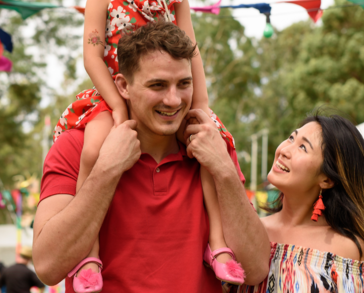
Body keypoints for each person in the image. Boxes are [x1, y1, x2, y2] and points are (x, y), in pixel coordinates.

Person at [50, 0, 245, 292]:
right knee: (92, 146)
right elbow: (92, 54)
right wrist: (117, 107)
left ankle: (218, 245)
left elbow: (191, 52)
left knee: (207, 147)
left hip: (166, 93)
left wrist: (203, 105)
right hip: (114, 94)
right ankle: (88, 251)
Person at [34, 21, 270, 292]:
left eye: (184, 84)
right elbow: (47, 266)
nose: (173, 100)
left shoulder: (212, 147)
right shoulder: (76, 145)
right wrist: (106, 170)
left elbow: (255, 269)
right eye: (158, 85)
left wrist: (225, 170)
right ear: (123, 86)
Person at [230, 112, 364, 293]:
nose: (284, 150)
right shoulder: (249, 231)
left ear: (327, 179)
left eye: (303, 147)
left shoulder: (348, 251)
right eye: (291, 138)